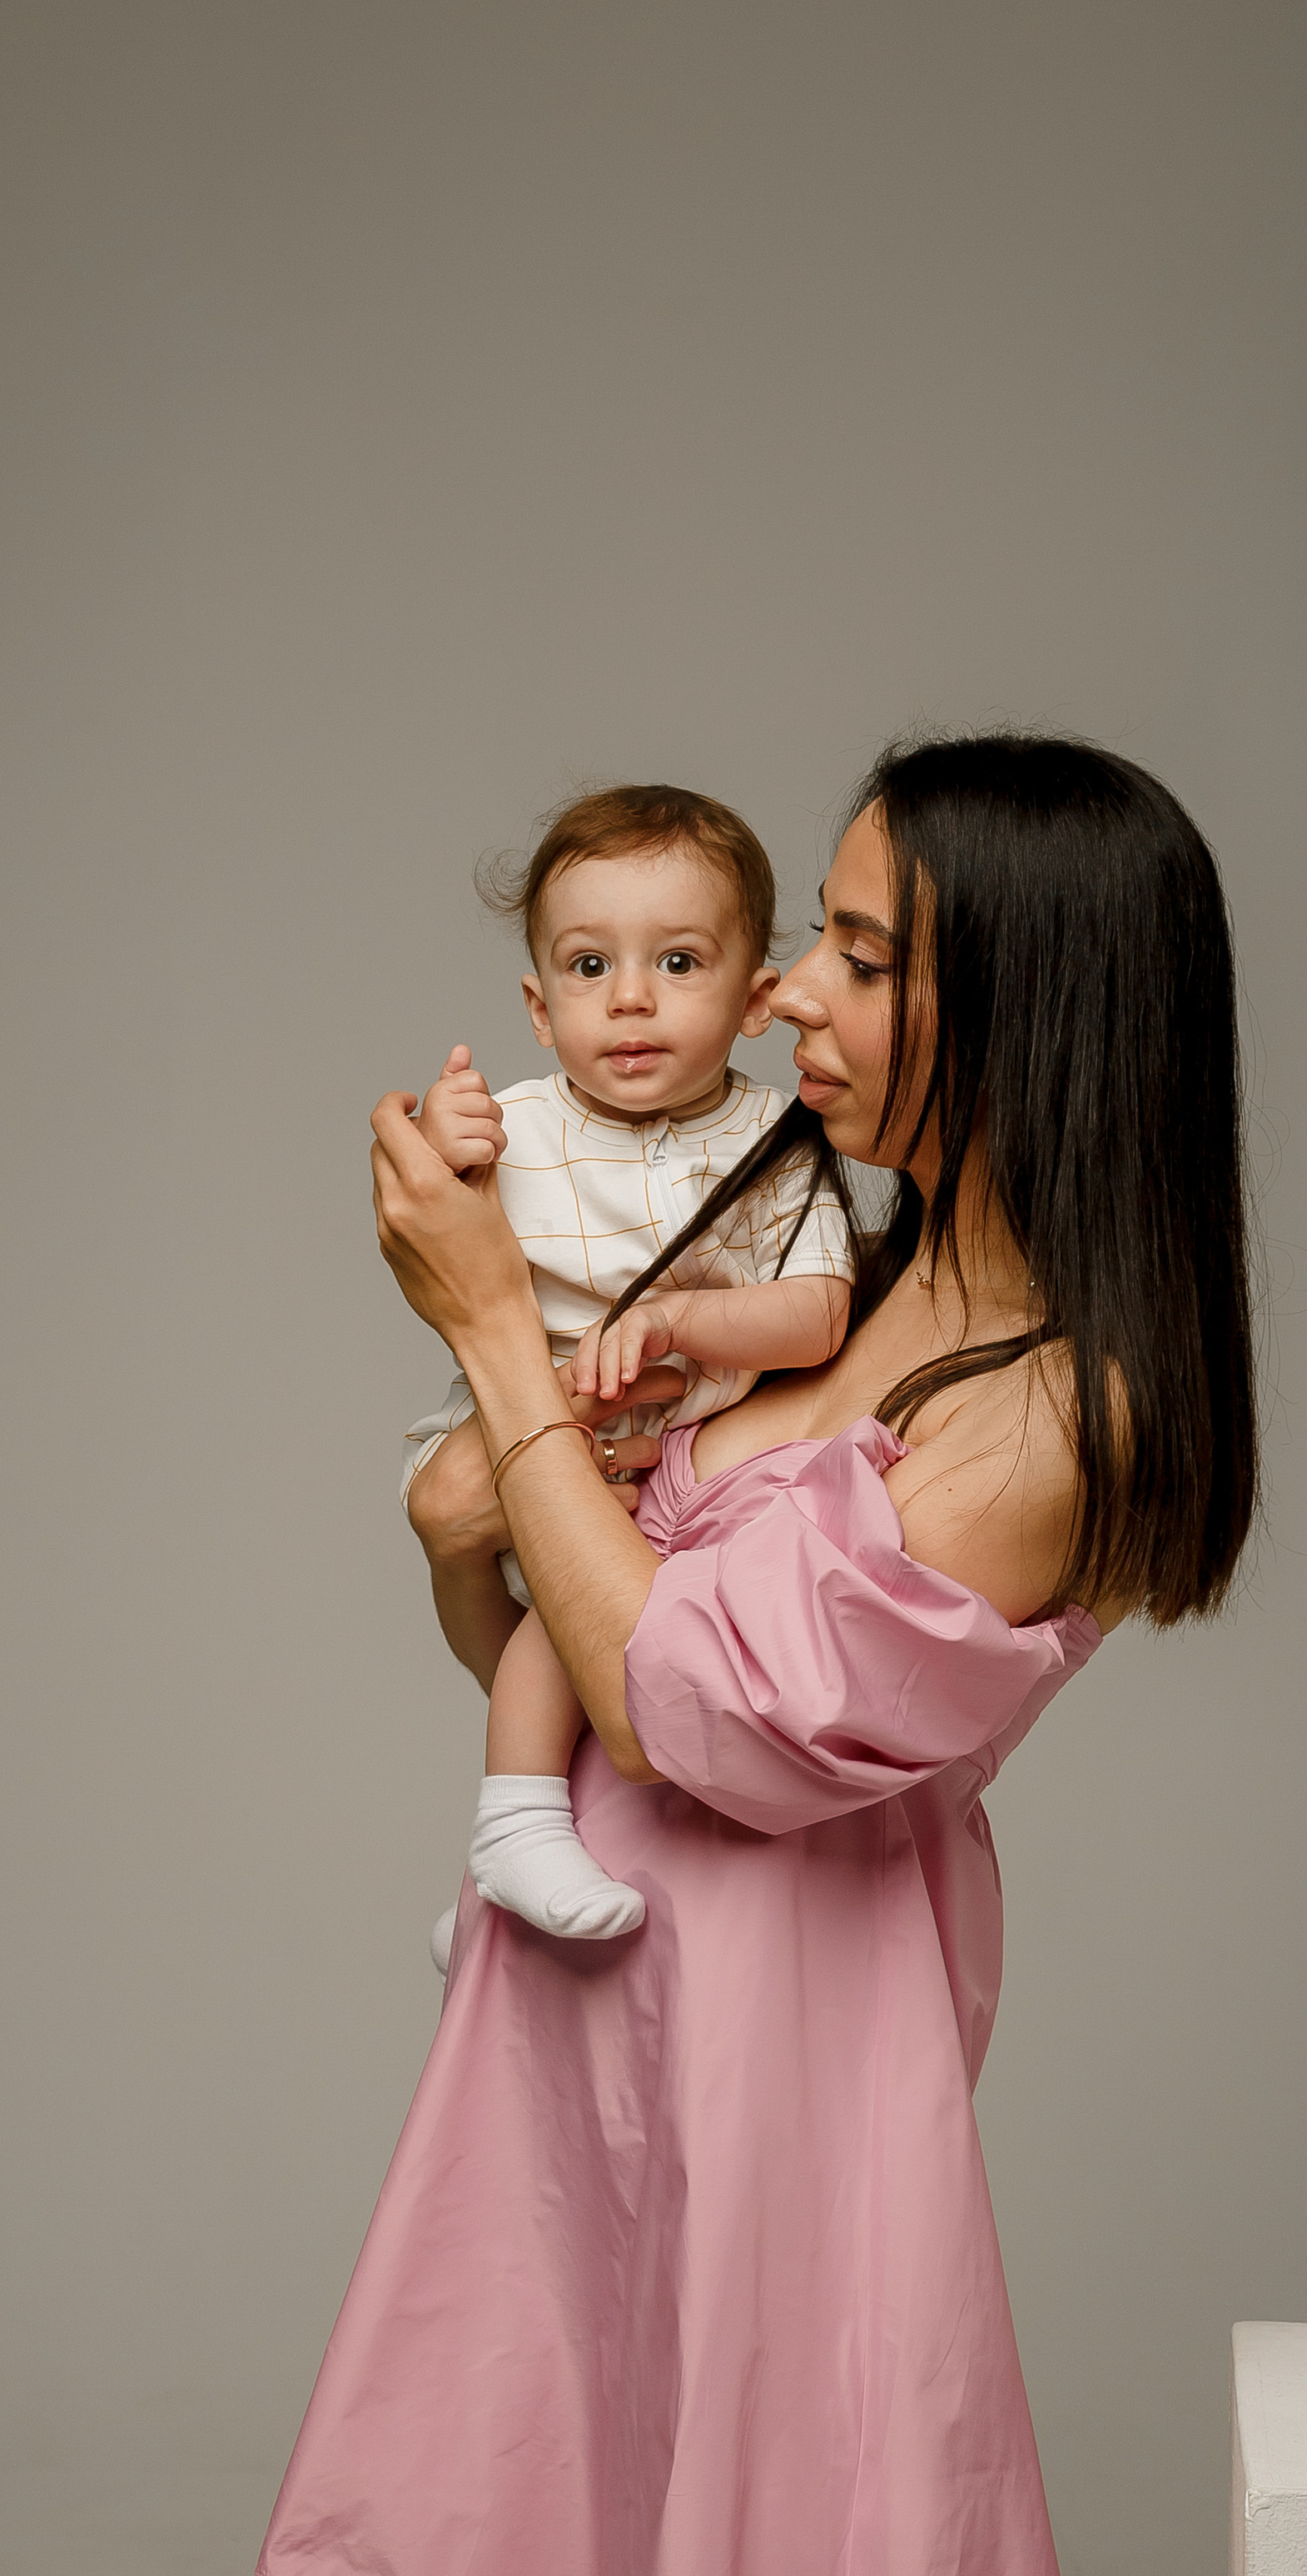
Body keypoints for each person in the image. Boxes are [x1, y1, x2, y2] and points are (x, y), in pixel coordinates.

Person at [261, 734, 1259, 2576]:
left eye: (865, 948)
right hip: (602, 2047)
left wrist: (496, 1339)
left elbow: (702, 1720)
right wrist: (477, 1519)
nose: (790, 987)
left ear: (1034, 1005)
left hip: (793, 2124)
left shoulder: (1068, 1406)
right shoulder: (863, 1259)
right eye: (807, 928)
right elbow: (561, 1635)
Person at [406, 783, 855, 1956]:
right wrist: (448, 1145)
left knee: (625, 1655)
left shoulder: (783, 1142)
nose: (633, 999)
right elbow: (433, 1246)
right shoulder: (522, 1128)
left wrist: (682, 1326)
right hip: (531, 1445)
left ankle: (499, 1892)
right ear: (539, 1007)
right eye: (590, 967)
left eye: (681, 961)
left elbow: (816, 1316)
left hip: (678, 1466)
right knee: (579, 1585)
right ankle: (512, 1824)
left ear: (759, 997)